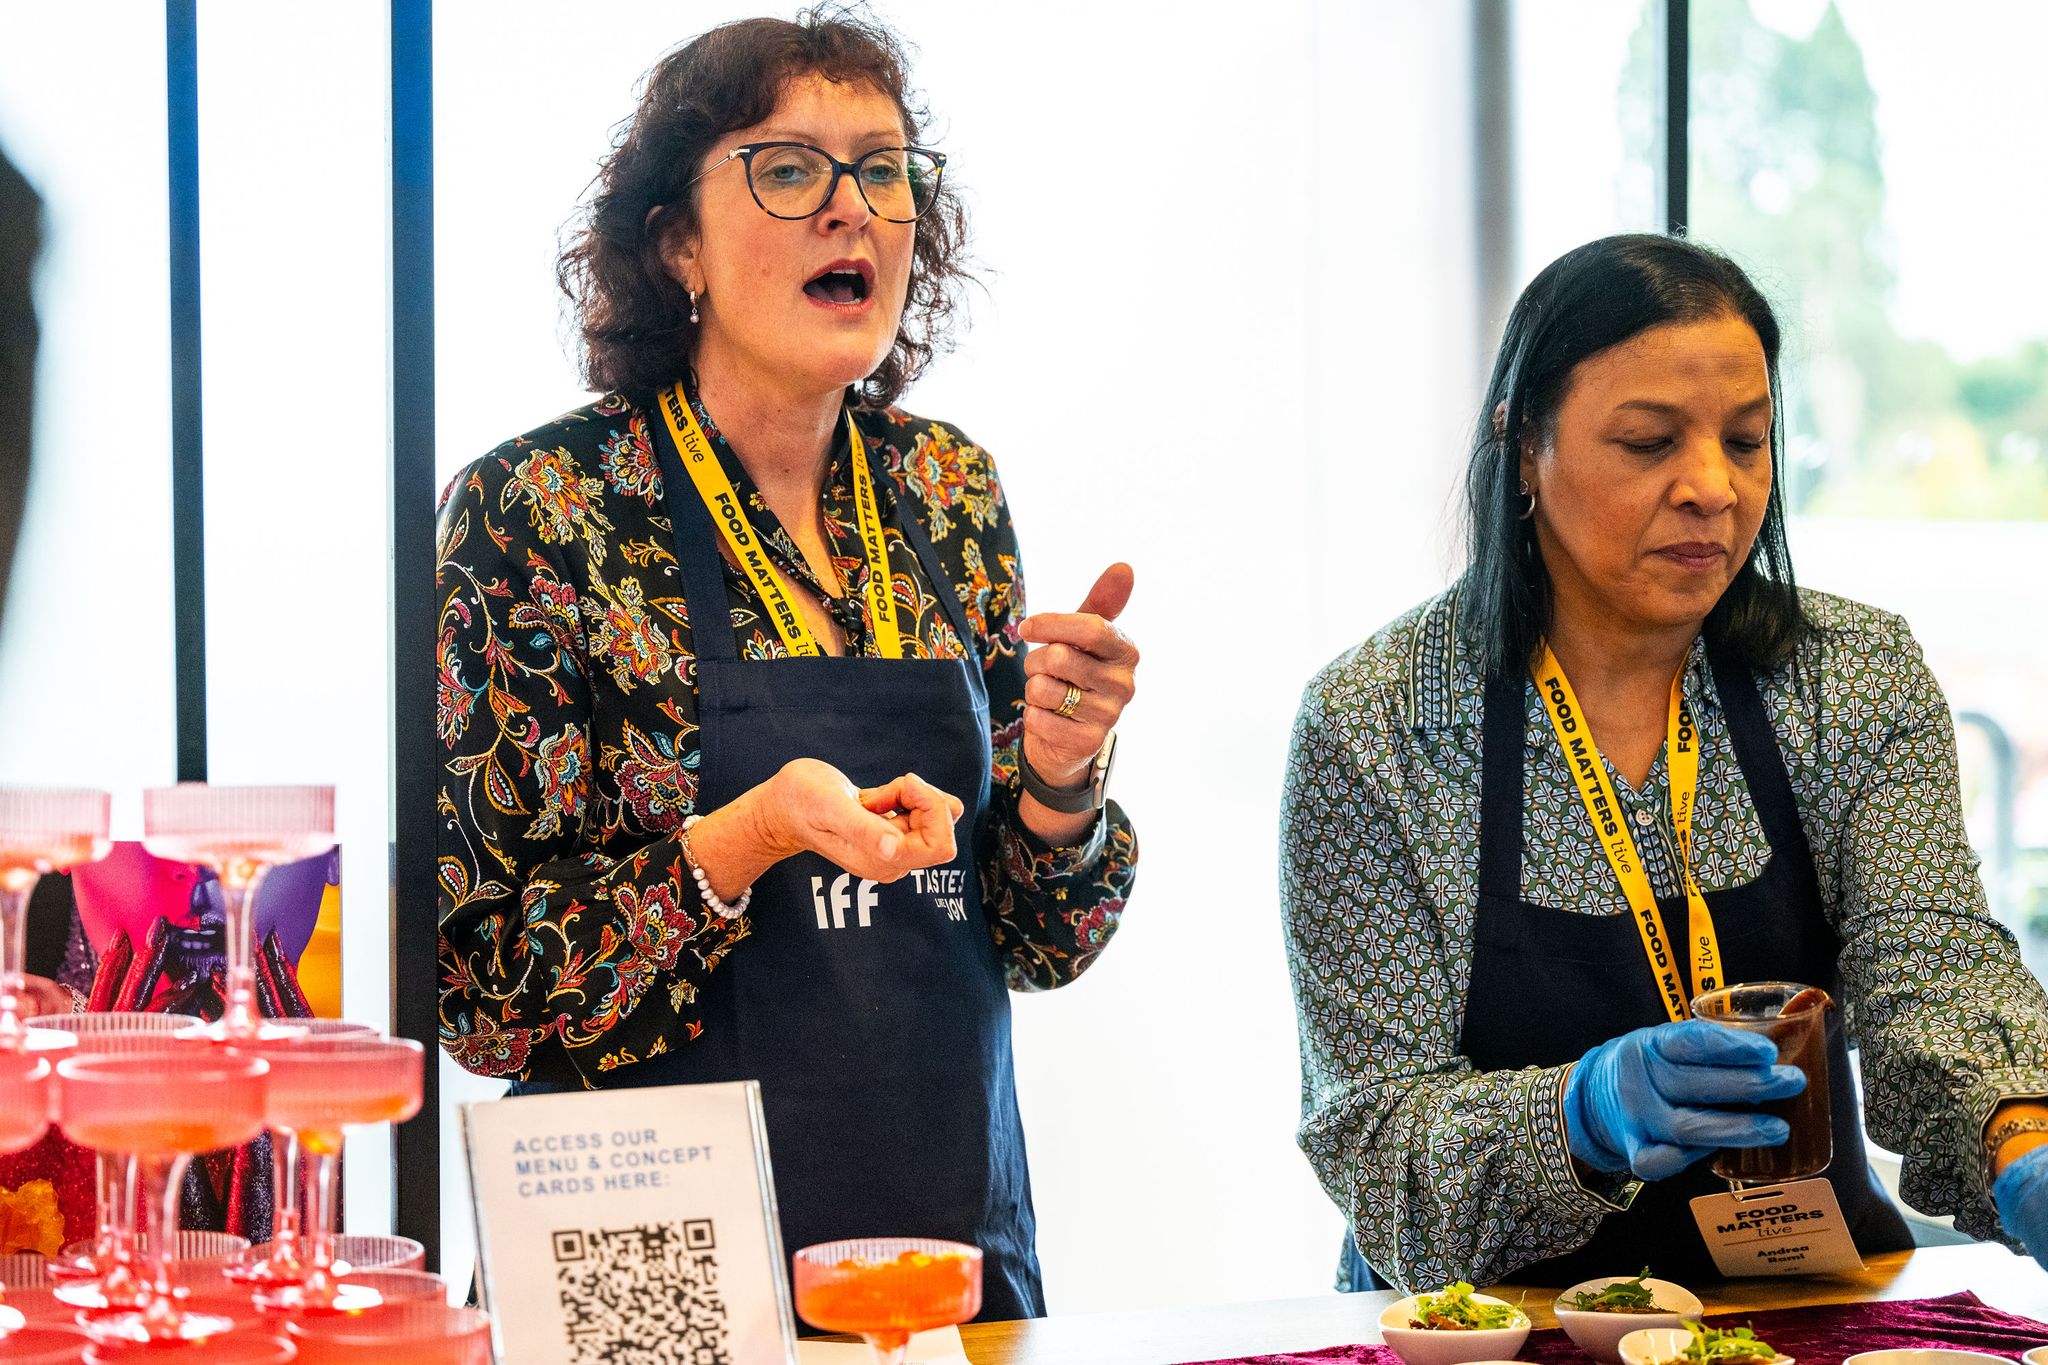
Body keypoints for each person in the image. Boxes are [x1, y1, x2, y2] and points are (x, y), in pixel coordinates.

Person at [435, 13, 1138, 1321]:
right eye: (788, 168)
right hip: (643, 1273)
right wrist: (744, 838)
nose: (850, 207)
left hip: (935, 1252)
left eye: (882, 169)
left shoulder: (945, 491)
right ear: (677, 245)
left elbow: (1040, 941)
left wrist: (1057, 781)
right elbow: (480, 993)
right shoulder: (541, 508)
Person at [1281, 233, 2048, 1291]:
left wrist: (2021, 1144)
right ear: (1521, 444)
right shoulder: (1382, 723)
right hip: (1491, 1326)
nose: (1711, 488)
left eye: (1745, 440)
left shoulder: (1849, 678)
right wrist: (1580, 1113)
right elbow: (1379, 1136)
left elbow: (1934, 974)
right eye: (1647, 442)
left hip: (1802, 1303)